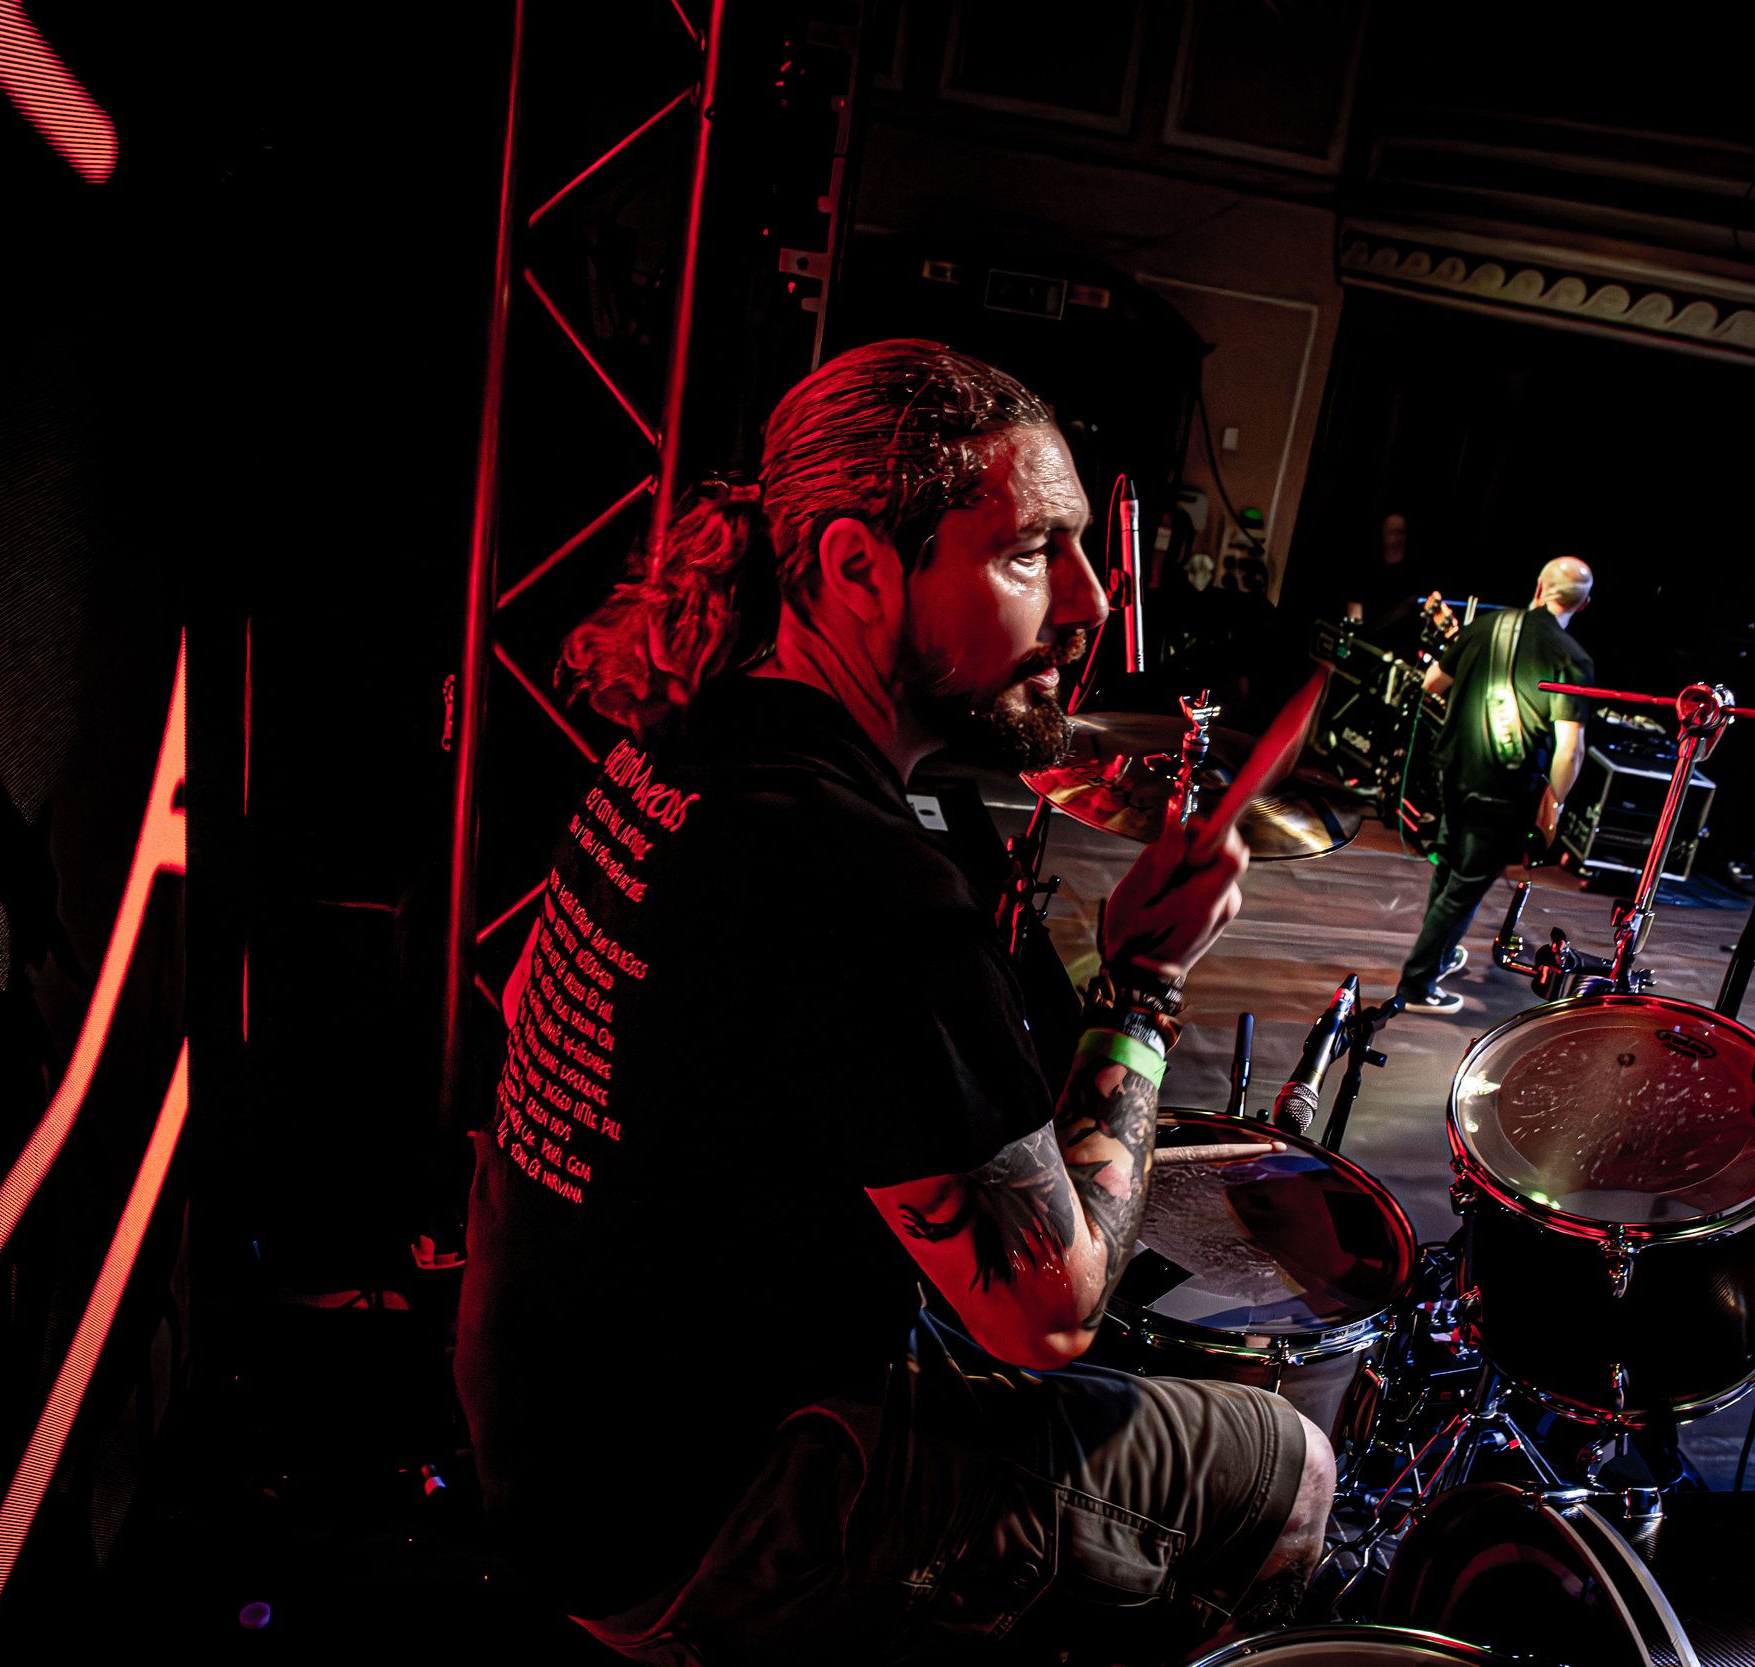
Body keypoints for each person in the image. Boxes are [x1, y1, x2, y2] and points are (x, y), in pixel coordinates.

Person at [455, 340, 1335, 1665]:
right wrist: (1144, 981)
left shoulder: (679, 742)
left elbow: (542, 995)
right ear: (861, 567)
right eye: (1031, 552)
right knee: (1287, 1461)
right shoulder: (864, 884)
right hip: (706, 1524)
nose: (1092, 599)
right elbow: (1045, 1315)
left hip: (553, 1448)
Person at [1394, 557, 1595, 1016]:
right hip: (1504, 789)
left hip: (1453, 770)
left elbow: (1432, 683)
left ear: (1539, 586)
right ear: (1583, 605)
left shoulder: (1487, 626)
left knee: (1449, 866)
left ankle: (1441, 955)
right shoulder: (1572, 657)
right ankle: (1418, 984)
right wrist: (1556, 802)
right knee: (1465, 886)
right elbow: (1570, 750)